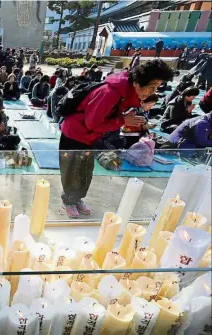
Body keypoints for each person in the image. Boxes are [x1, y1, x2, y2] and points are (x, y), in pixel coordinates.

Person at [59, 59, 173, 218]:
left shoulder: (124, 92)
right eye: (152, 87)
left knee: (85, 170)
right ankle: (68, 200)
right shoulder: (110, 93)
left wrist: (122, 119)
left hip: (89, 137)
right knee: (73, 169)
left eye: (157, 87)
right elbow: (92, 123)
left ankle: (77, 198)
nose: (153, 92)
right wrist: (122, 120)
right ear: (137, 83)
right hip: (75, 134)